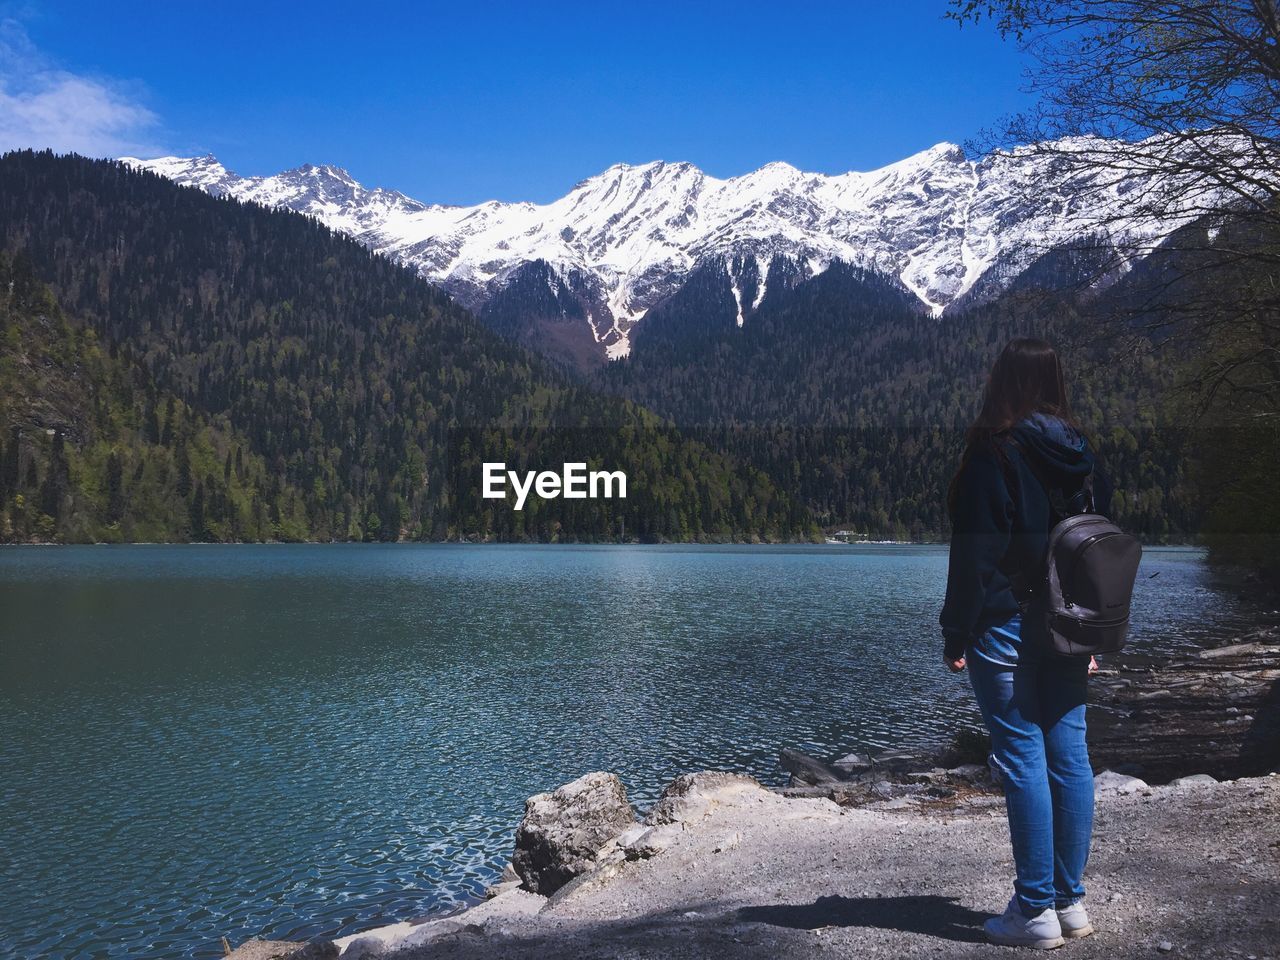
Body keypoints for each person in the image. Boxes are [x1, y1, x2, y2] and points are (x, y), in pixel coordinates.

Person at [940, 337, 1111, 950]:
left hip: (1008, 623)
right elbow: (1097, 548)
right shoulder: (1081, 457)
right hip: (1069, 625)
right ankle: (1068, 903)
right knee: (1069, 757)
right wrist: (1092, 630)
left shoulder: (996, 451)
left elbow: (976, 554)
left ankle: (1034, 909)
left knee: (1021, 760)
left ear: (1003, 380)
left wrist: (955, 631)